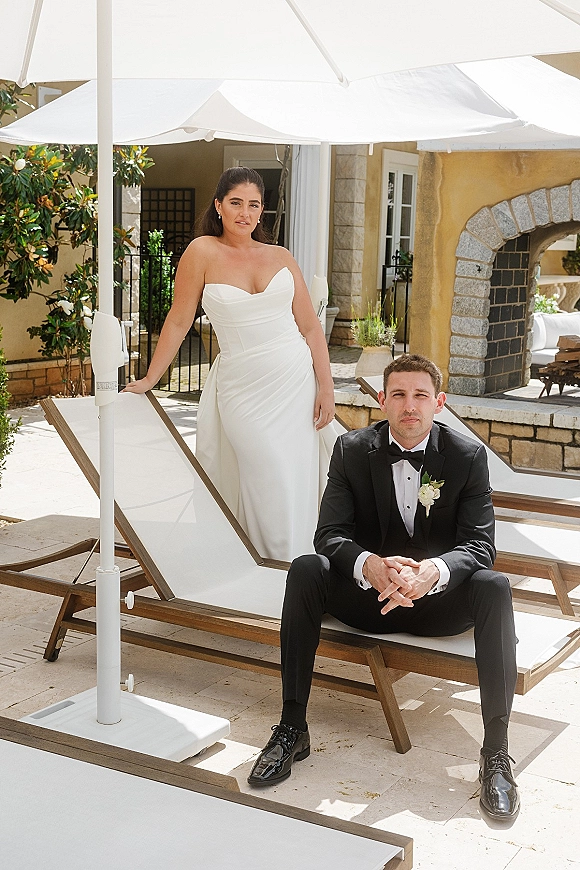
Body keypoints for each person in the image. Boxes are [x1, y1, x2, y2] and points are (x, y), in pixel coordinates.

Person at [248, 353, 520, 822]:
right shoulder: (352, 450)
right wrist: (369, 565)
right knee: (305, 568)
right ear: (381, 401)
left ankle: (495, 753)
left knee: (494, 586)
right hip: (369, 598)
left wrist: (429, 573)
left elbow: (480, 545)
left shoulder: (467, 456)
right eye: (398, 394)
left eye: (419, 395)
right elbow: (329, 535)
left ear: (439, 402)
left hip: (437, 604)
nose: (408, 406)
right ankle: (293, 725)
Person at [124, 166, 338, 561]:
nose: (245, 212)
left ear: (262, 211)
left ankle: (301, 573)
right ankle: (271, 569)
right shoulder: (202, 252)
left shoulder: (281, 257)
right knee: (267, 474)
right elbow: (178, 318)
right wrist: (152, 376)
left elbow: (310, 328)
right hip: (243, 389)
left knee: (295, 479)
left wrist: (326, 387)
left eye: (254, 204)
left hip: (296, 382)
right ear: (219, 205)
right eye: (236, 202)